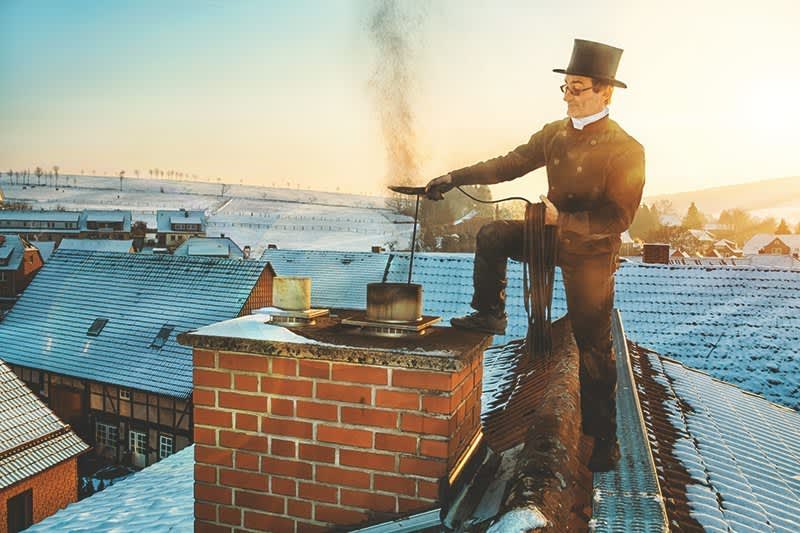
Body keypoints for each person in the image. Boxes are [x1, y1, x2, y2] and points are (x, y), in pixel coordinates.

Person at [424, 39, 645, 472]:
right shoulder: (553, 134)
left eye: (577, 88)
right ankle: (490, 312)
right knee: (492, 235)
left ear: (604, 92)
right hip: (550, 236)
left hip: (593, 255)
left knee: (593, 347)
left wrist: (564, 219)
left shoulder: (627, 149)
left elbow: (619, 217)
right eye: (565, 88)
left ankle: (605, 439)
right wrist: (454, 176)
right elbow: (508, 163)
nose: (568, 96)